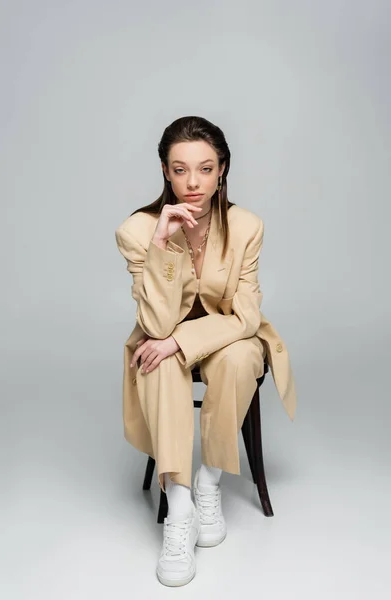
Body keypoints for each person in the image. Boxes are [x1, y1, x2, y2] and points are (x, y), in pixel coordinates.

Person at [115, 115, 297, 587]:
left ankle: (209, 483)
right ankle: (179, 504)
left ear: (222, 170)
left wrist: (181, 340)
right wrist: (161, 245)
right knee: (153, 360)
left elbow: (247, 316)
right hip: (162, 337)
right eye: (179, 169)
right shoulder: (137, 230)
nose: (192, 182)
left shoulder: (246, 225)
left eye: (205, 168)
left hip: (227, 339)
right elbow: (155, 324)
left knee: (238, 356)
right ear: (164, 171)